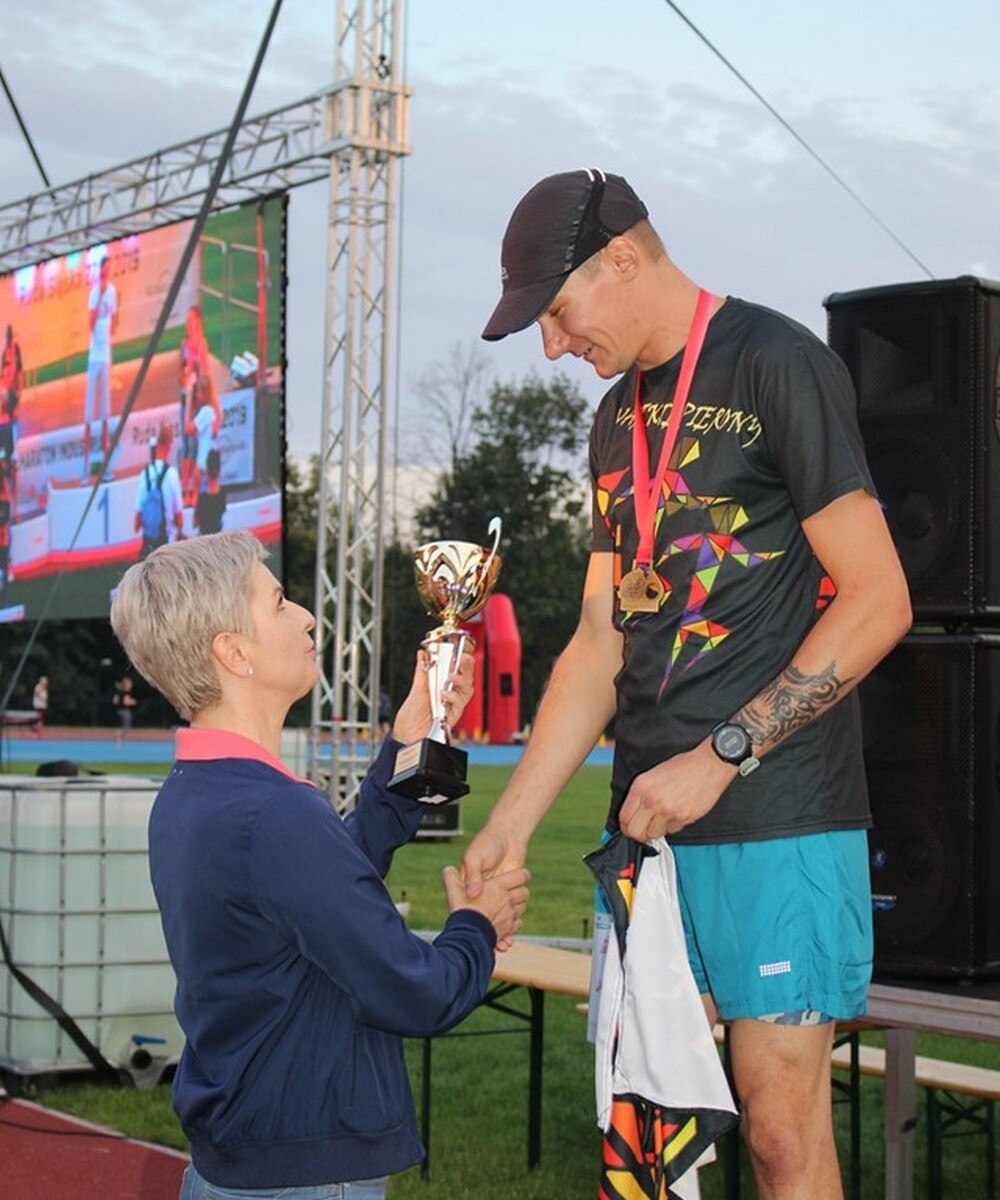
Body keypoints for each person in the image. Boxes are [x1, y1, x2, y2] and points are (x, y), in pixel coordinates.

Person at [464, 168, 912, 1199]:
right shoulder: (612, 419)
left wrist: (721, 756)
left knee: (780, 1134)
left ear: (623, 259)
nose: (551, 345)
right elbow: (598, 640)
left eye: (556, 312)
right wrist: (510, 827)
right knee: (654, 1139)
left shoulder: (775, 363)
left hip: (778, 814)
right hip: (650, 837)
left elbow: (879, 598)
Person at [109, 530, 529, 1200]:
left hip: (243, 1160)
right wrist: (475, 926)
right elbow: (418, 992)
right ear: (234, 652)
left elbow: (323, 889)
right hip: (307, 1172)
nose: (305, 616)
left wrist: (410, 743)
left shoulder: (197, 792)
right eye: (279, 604)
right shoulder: (273, 812)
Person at [84, 255, 119, 474]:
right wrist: (99, 298)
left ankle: (106, 463)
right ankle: (86, 464)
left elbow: (115, 316)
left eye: (109, 269)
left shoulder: (113, 291)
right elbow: (90, 323)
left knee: (106, 412)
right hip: (93, 358)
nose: (106, 273)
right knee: (89, 413)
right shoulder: (94, 293)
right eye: (104, 269)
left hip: (105, 355)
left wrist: (111, 331)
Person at [134, 422, 184, 559]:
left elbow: (136, 524)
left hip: (148, 548)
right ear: (170, 444)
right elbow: (180, 520)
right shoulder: (172, 474)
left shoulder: (144, 474)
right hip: (168, 548)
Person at [0, 324, 22, 516]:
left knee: (13, 466)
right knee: (3, 466)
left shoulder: (13, 390)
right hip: (3, 431)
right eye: (6, 364)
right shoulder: (2, 387)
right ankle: (7, 505)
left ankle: (14, 508)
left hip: (10, 430)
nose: (8, 367)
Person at [193, 446, 226, 535]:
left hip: (204, 539)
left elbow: (194, 524)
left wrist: (196, 489)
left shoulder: (202, 498)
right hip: (217, 536)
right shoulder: (222, 495)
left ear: (207, 471)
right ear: (219, 471)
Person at [112, 674, 137, 743]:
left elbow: (114, 701)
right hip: (125, 711)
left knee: (120, 726)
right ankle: (119, 739)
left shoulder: (119, 693)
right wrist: (132, 701)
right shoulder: (126, 693)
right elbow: (125, 702)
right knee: (126, 727)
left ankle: (118, 739)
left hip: (119, 711)